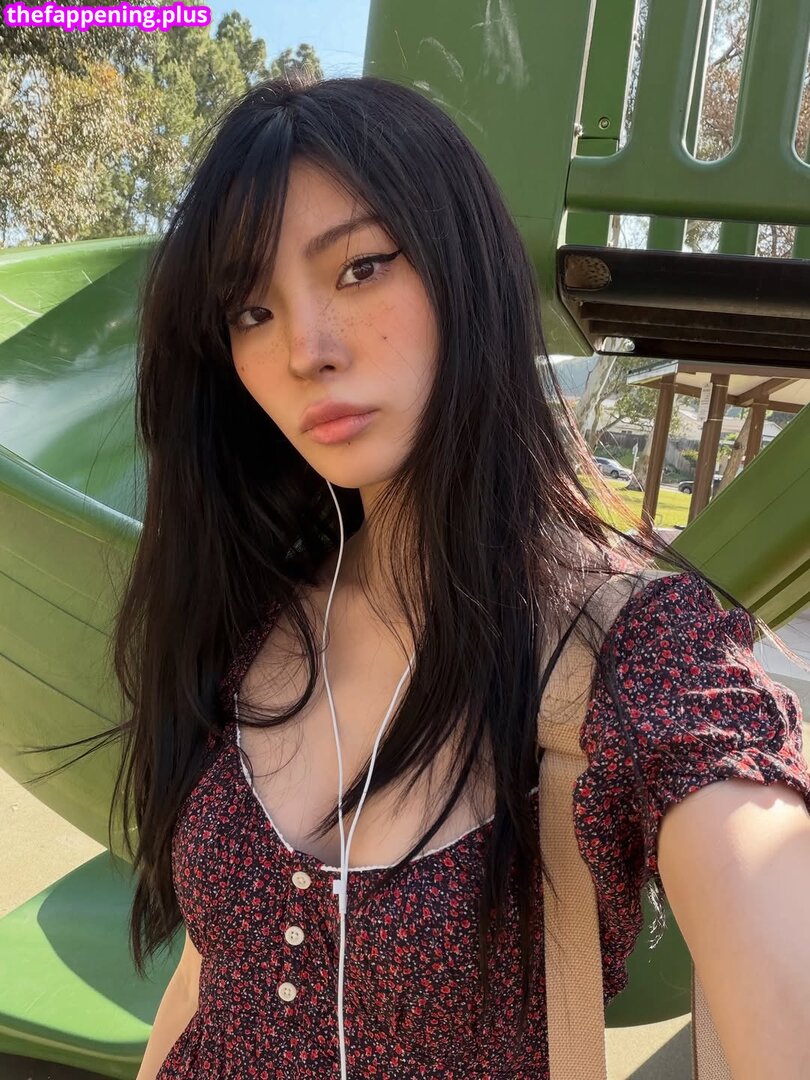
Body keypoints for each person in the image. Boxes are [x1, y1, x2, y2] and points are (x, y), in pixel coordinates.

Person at [100, 72, 810, 1078]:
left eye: (359, 268)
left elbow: (779, 961)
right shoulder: (251, 614)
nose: (306, 350)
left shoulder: (637, 654)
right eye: (251, 310)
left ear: (463, 264)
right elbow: (211, 973)